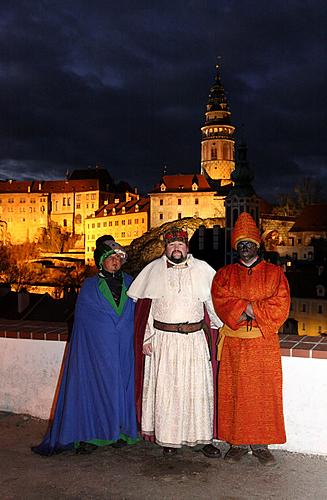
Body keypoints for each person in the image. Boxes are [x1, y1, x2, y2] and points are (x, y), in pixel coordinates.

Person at [32, 235, 138, 455]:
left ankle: (121, 431)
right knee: (97, 388)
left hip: (125, 348)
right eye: (111, 258)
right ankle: (94, 434)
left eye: (119, 257)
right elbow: (85, 321)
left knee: (124, 386)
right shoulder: (90, 287)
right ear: (101, 261)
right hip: (97, 351)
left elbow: (139, 312)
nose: (115, 262)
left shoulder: (130, 282)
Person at [127, 227, 222, 457]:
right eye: (172, 245)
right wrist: (146, 337)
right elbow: (146, 309)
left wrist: (220, 327)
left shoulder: (203, 269)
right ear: (165, 248)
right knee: (168, 391)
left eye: (180, 244)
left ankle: (203, 438)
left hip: (195, 341)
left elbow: (212, 303)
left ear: (187, 247)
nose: (176, 248)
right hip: (164, 341)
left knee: (197, 390)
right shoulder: (153, 270)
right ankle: (169, 438)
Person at [211, 212, 290, 466]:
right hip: (234, 343)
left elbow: (280, 306)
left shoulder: (275, 273)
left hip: (262, 344)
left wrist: (247, 309)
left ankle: (260, 444)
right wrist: (253, 307)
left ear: (258, 245)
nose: (245, 248)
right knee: (234, 393)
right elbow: (221, 300)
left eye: (250, 243)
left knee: (262, 395)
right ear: (236, 247)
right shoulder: (224, 274)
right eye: (241, 244)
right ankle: (236, 442)